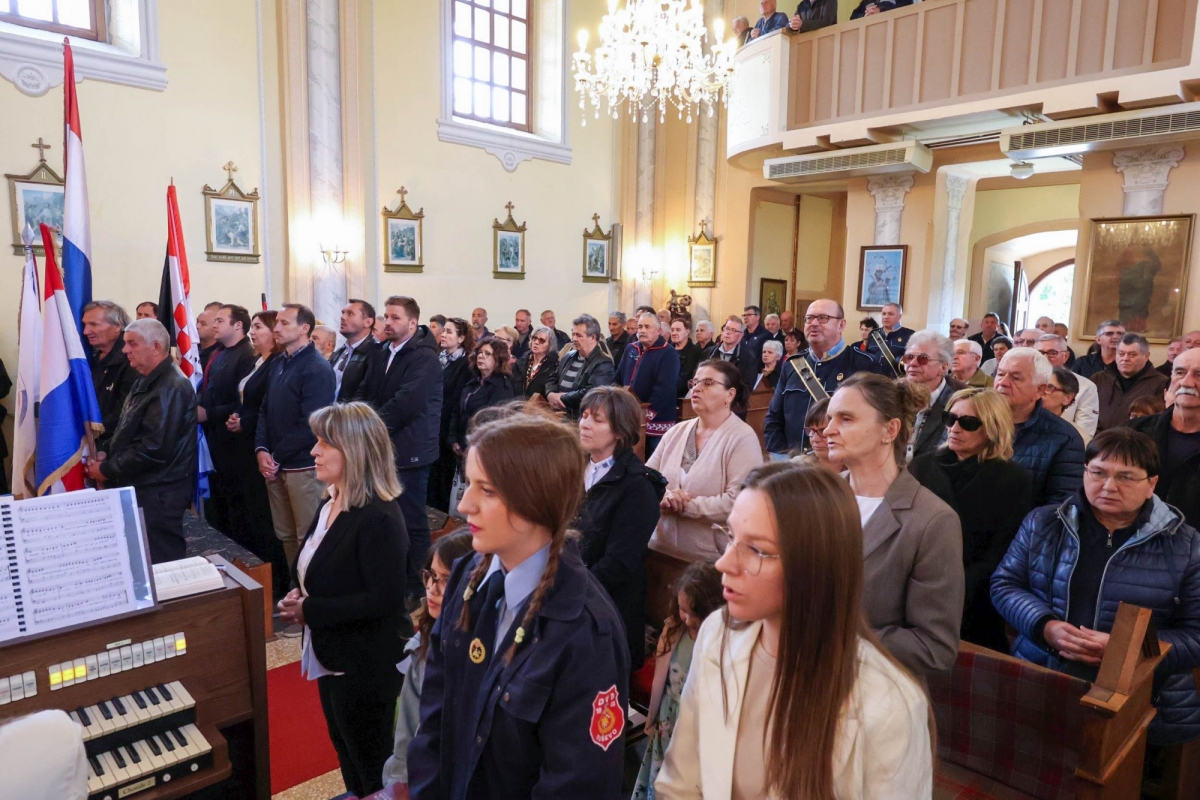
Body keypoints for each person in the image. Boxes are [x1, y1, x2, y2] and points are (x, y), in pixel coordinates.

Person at [655, 463, 934, 798]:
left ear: (813, 566)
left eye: (756, 549)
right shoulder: (718, 633)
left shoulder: (888, 705)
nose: (724, 563)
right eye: (730, 537)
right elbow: (680, 782)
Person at [407, 411, 630, 800]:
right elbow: (435, 723)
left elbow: (576, 785)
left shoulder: (585, 630)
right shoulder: (466, 576)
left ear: (535, 500)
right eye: (470, 485)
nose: (464, 505)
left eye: (487, 490)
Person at [991, 428, 1200, 746]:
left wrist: (1123, 649)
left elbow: (1195, 634)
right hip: (1040, 673)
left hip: (1142, 697)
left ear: (1151, 485)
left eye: (1126, 477)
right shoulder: (1043, 522)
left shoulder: (1187, 546)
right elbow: (1005, 585)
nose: (1109, 486)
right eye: (1098, 473)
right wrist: (1045, 626)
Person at [276, 402, 409, 798]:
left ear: (354, 451)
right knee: (349, 759)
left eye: (323, 443)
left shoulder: (380, 518)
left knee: (372, 768)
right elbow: (320, 565)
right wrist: (300, 592)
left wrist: (310, 610)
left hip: (367, 665)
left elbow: (384, 600)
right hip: (333, 656)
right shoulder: (331, 500)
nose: (313, 451)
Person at [823, 373, 963, 677]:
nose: (828, 429)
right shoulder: (819, 499)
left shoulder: (932, 520)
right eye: (829, 418)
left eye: (845, 419)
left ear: (890, 429)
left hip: (876, 691)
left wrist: (835, 635)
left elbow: (934, 648)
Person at [908, 388, 1032, 652]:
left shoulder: (1013, 480)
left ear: (992, 428)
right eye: (949, 419)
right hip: (915, 587)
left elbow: (1003, 550)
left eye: (968, 422)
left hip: (973, 598)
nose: (954, 428)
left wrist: (956, 588)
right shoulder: (922, 466)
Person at [85, 319, 198, 564]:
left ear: (156, 347)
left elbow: (154, 448)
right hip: (145, 485)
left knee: (161, 562)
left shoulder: (171, 386)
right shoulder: (146, 379)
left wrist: (106, 469)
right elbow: (128, 429)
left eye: (131, 344)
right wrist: (106, 452)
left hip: (159, 491)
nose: (125, 350)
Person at [355, 296, 442, 595]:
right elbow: (367, 389)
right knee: (386, 519)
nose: (387, 322)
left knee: (412, 521)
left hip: (409, 448)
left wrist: (369, 429)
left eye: (394, 317)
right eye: (386, 317)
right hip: (381, 447)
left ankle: (418, 585)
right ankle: (393, 578)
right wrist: (360, 421)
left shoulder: (425, 357)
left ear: (412, 322)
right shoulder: (382, 351)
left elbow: (408, 402)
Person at [576, 386, 666, 671]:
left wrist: (567, 588)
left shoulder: (637, 486)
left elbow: (619, 564)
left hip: (606, 610)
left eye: (597, 419)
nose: (585, 424)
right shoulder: (575, 468)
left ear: (620, 431)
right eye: (584, 415)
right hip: (570, 598)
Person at [382, 530, 475, 789]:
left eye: (446, 580)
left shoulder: (482, 649)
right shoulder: (421, 646)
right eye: (430, 576)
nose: (433, 589)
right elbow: (407, 731)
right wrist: (399, 782)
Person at [647, 360, 763, 561]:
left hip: (707, 558)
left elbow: (739, 501)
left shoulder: (742, 437)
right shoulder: (676, 431)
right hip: (658, 547)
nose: (697, 389)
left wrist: (687, 506)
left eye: (708, 383)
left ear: (730, 394)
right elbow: (646, 481)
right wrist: (664, 498)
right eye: (695, 383)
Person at [254, 304, 336, 577]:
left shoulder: (316, 367)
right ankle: (294, 590)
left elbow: (310, 424)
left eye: (284, 323)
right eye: (276, 322)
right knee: (286, 534)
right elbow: (265, 409)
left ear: (304, 329)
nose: (276, 328)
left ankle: (311, 592)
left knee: (308, 535)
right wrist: (262, 449)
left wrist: (275, 456)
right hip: (276, 464)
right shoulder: (279, 361)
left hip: (302, 465)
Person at [633, 562, 723, 799]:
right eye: (683, 610)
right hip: (667, 718)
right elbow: (659, 682)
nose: (687, 618)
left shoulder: (719, 640)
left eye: (694, 613)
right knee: (659, 774)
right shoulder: (673, 631)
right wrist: (651, 719)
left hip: (694, 722)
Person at [764, 298, 883, 457]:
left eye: (822, 318)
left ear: (841, 325)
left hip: (840, 467)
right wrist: (782, 458)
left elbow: (873, 423)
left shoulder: (863, 365)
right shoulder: (792, 365)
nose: (814, 323)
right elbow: (774, 418)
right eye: (809, 318)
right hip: (792, 465)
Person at [198, 304, 259, 549]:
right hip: (215, 439)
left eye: (220, 321)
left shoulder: (247, 355)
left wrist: (209, 413)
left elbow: (242, 401)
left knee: (237, 508)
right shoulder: (218, 352)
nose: (214, 325)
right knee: (218, 505)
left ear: (238, 326)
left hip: (234, 441)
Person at [226, 311, 283, 570]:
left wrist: (245, 421)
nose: (253, 331)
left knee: (264, 512)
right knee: (248, 508)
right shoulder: (256, 361)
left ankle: (271, 570)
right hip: (245, 442)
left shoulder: (277, 363)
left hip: (261, 441)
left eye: (259, 327)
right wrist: (237, 416)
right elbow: (247, 399)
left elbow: (268, 406)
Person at [995, 348, 1085, 506]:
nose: (1002, 383)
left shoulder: (1064, 438)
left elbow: (1060, 506)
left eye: (1016, 378)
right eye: (1000, 374)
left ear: (1040, 390)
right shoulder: (970, 419)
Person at [1129, 347, 1200, 527]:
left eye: (1199, 374)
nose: (1187, 382)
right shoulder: (1134, 431)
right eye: (1179, 372)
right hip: (1134, 537)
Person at [617, 313, 680, 455]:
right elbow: (619, 377)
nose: (642, 330)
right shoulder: (630, 348)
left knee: (654, 464)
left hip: (657, 421)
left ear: (659, 331)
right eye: (640, 326)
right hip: (630, 417)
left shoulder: (668, 353)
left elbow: (665, 388)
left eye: (647, 327)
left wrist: (646, 415)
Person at [430, 317, 474, 513]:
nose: (443, 335)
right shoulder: (439, 358)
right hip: (432, 424)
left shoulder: (465, 364)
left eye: (449, 332)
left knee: (442, 480)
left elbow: (456, 399)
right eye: (444, 330)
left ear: (461, 338)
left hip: (445, 426)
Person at [902, 330, 967, 461]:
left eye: (922, 359)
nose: (912, 364)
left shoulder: (958, 404)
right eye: (909, 357)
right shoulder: (891, 397)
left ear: (943, 367)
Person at [81, 300, 136, 453]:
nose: (86, 331)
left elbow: (126, 411)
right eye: (85, 324)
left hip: (114, 448)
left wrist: (89, 430)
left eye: (94, 324)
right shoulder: (89, 356)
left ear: (117, 326)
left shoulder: (131, 359)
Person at [449, 337, 515, 453]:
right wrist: (454, 438)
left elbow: (492, 421)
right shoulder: (473, 382)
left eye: (487, 354)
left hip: (484, 448)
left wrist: (471, 443)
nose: (481, 356)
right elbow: (457, 410)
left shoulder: (501, 387)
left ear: (498, 359)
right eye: (479, 353)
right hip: (463, 443)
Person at [545, 314, 617, 419]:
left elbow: (592, 392)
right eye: (573, 334)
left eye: (578, 335)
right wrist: (550, 394)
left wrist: (563, 398)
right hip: (560, 416)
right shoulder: (568, 356)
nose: (573, 338)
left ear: (592, 338)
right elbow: (553, 377)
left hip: (583, 418)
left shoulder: (603, 362)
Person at [1094, 332, 1169, 431]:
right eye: (1121, 354)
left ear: (1146, 356)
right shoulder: (1099, 378)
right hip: (1098, 441)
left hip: (1136, 441)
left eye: (1132, 355)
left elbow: (1160, 421)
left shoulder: (1161, 383)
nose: (1125, 359)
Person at [1037, 333, 1098, 440]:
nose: (1045, 358)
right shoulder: (1027, 380)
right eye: (1040, 353)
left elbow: (1084, 433)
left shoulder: (1086, 386)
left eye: (1052, 353)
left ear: (1065, 356)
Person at [332, 299, 377, 403]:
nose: (342, 317)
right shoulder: (340, 352)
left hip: (351, 416)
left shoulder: (375, 353)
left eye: (350, 314)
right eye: (343, 313)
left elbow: (366, 393)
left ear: (368, 322)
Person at [1044, 367, 1091, 446]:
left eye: (1049, 387)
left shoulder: (1080, 438)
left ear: (1067, 398)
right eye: (1039, 386)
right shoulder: (1021, 424)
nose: (1041, 391)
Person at [512, 324, 559, 400]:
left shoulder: (554, 367)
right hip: (517, 406)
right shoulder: (520, 363)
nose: (536, 342)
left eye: (542, 340)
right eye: (534, 338)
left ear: (549, 344)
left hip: (538, 408)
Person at [710, 315, 759, 389]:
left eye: (733, 330)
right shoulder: (709, 352)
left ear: (741, 335)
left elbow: (747, 387)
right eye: (727, 328)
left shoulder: (748, 358)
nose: (728, 332)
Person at [797, 397, 841, 472]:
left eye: (823, 431)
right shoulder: (798, 468)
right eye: (811, 431)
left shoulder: (860, 468)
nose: (814, 439)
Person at [669, 317, 703, 397]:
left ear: (687, 332)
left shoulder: (695, 351)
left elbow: (686, 378)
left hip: (681, 396)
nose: (674, 333)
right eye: (672, 330)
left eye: (678, 330)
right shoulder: (666, 350)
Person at [195, 304, 220, 369]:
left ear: (215, 328)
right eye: (197, 322)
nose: (197, 326)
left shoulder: (219, 353)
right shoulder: (192, 347)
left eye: (203, 324)